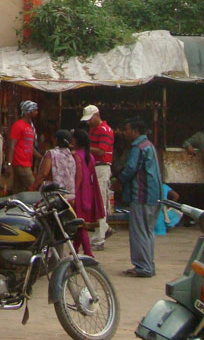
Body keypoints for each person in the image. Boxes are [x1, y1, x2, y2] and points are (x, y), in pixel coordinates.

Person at [117, 117, 162, 278]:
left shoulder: (138, 147)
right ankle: (148, 264)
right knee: (148, 231)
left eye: (127, 129)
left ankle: (143, 267)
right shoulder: (149, 145)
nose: (125, 132)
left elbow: (130, 169)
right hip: (153, 194)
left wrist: (119, 180)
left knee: (139, 231)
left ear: (135, 131)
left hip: (142, 194)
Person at [82, 104, 114, 249]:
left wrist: (84, 148)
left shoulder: (104, 130)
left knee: (100, 202)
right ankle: (104, 228)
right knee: (97, 202)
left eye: (90, 119)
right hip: (95, 168)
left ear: (97, 115)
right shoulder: (93, 129)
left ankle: (99, 238)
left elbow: (101, 151)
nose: (88, 122)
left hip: (102, 167)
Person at [70, 129, 105, 257]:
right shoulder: (90, 156)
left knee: (80, 225)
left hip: (79, 192)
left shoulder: (76, 156)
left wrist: (73, 193)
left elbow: (79, 176)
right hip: (88, 192)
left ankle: (89, 253)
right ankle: (74, 249)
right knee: (81, 224)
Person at [8, 100, 39, 194]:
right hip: (20, 163)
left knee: (18, 190)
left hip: (26, 163)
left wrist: (40, 156)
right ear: (29, 112)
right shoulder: (18, 125)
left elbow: (30, 146)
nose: (36, 112)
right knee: (33, 187)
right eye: (35, 110)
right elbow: (12, 145)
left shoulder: (29, 127)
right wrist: (9, 164)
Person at [32, 129, 76, 194]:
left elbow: (44, 173)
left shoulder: (51, 154)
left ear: (56, 140)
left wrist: (33, 187)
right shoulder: (71, 157)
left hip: (52, 193)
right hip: (68, 193)